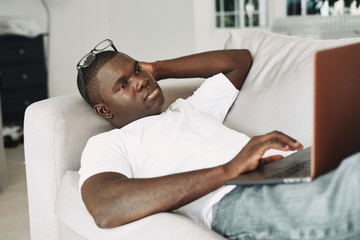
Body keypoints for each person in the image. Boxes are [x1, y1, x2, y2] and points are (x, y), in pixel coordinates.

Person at [76, 39, 360, 240]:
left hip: (289, 167)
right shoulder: (110, 144)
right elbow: (106, 206)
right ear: (104, 110)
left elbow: (238, 61)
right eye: (123, 85)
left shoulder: (189, 108)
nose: (140, 80)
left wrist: (158, 68)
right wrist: (228, 171)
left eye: (137, 69)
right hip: (235, 199)